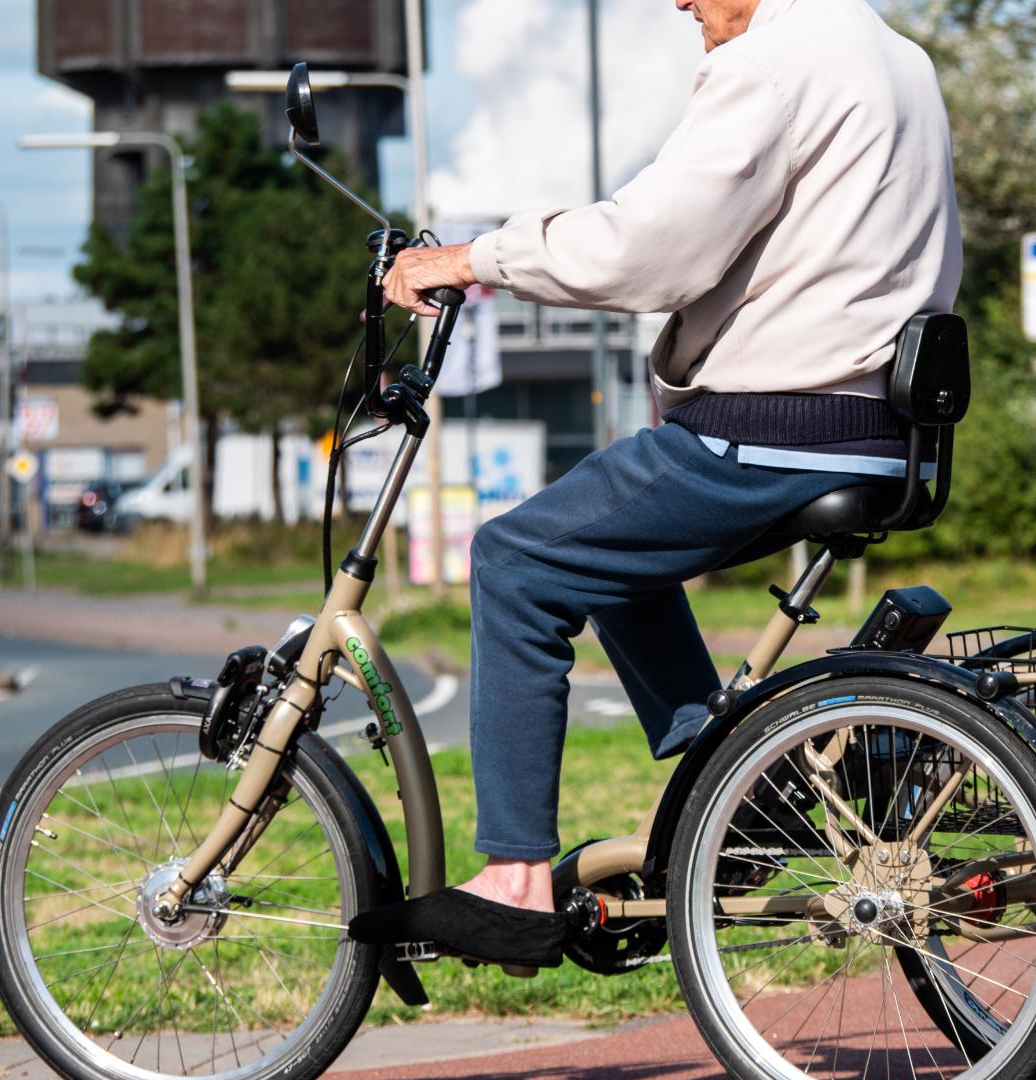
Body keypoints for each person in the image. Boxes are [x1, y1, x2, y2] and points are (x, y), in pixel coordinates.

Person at [349, 0, 961, 968]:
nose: (678, 3)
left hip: (772, 429)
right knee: (604, 545)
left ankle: (513, 879)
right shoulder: (898, 58)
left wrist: (475, 258)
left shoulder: (773, 62)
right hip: (884, 433)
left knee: (516, 558)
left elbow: (646, 250)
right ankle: (735, 778)